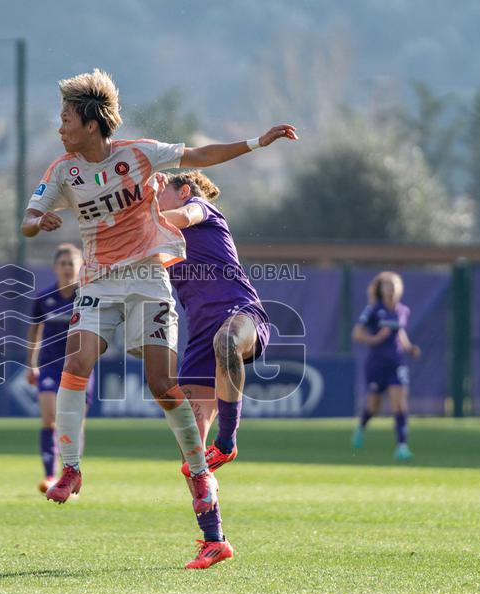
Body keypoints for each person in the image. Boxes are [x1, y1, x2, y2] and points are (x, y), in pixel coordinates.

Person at [21, 68, 295, 566]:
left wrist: (258, 141)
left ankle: (205, 490)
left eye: (66, 117)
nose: (59, 125)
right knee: (76, 362)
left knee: (161, 386)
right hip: (100, 281)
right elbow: (26, 222)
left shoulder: (141, 155)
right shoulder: (62, 171)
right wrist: (40, 221)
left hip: (149, 280)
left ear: (90, 120)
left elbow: (202, 157)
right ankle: (71, 468)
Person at [154, 170, 272, 568]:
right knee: (189, 452)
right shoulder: (161, 238)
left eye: (160, 190)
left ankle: (228, 441)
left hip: (241, 316)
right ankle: (214, 540)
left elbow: (180, 218)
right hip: (199, 340)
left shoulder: (200, 209)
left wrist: (131, 218)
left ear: (183, 191)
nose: (153, 197)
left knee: (227, 343)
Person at [25, 244, 94, 493]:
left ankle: (72, 475)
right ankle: (50, 475)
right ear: (55, 267)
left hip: (80, 368)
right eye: (63, 263)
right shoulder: (44, 298)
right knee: (49, 418)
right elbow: (34, 330)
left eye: (71, 263)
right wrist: (30, 364)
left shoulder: (87, 296)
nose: (67, 268)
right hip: (50, 366)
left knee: (75, 423)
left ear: (80, 267)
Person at [351, 271, 421, 461]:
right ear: (380, 289)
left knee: (399, 402)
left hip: (396, 363)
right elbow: (356, 334)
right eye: (387, 284)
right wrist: (373, 339)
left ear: (400, 288)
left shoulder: (402, 311)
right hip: (376, 363)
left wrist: (409, 348)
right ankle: (361, 426)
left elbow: (400, 333)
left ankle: (402, 446)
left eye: (394, 284)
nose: (391, 288)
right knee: (374, 406)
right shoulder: (372, 310)